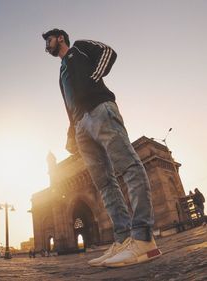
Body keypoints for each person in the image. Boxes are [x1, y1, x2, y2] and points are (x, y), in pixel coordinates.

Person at [42, 29, 161, 268]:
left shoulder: (80, 47)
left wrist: (92, 83)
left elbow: (108, 52)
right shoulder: (61, 72)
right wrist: (72, 130)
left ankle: (143, 238)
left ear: (61, 38)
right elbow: (69, 104)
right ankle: (123, 239)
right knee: (105, 183)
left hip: (100, 110)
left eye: (49, 40)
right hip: (81, 126)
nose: (46, 45)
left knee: (128, 165)